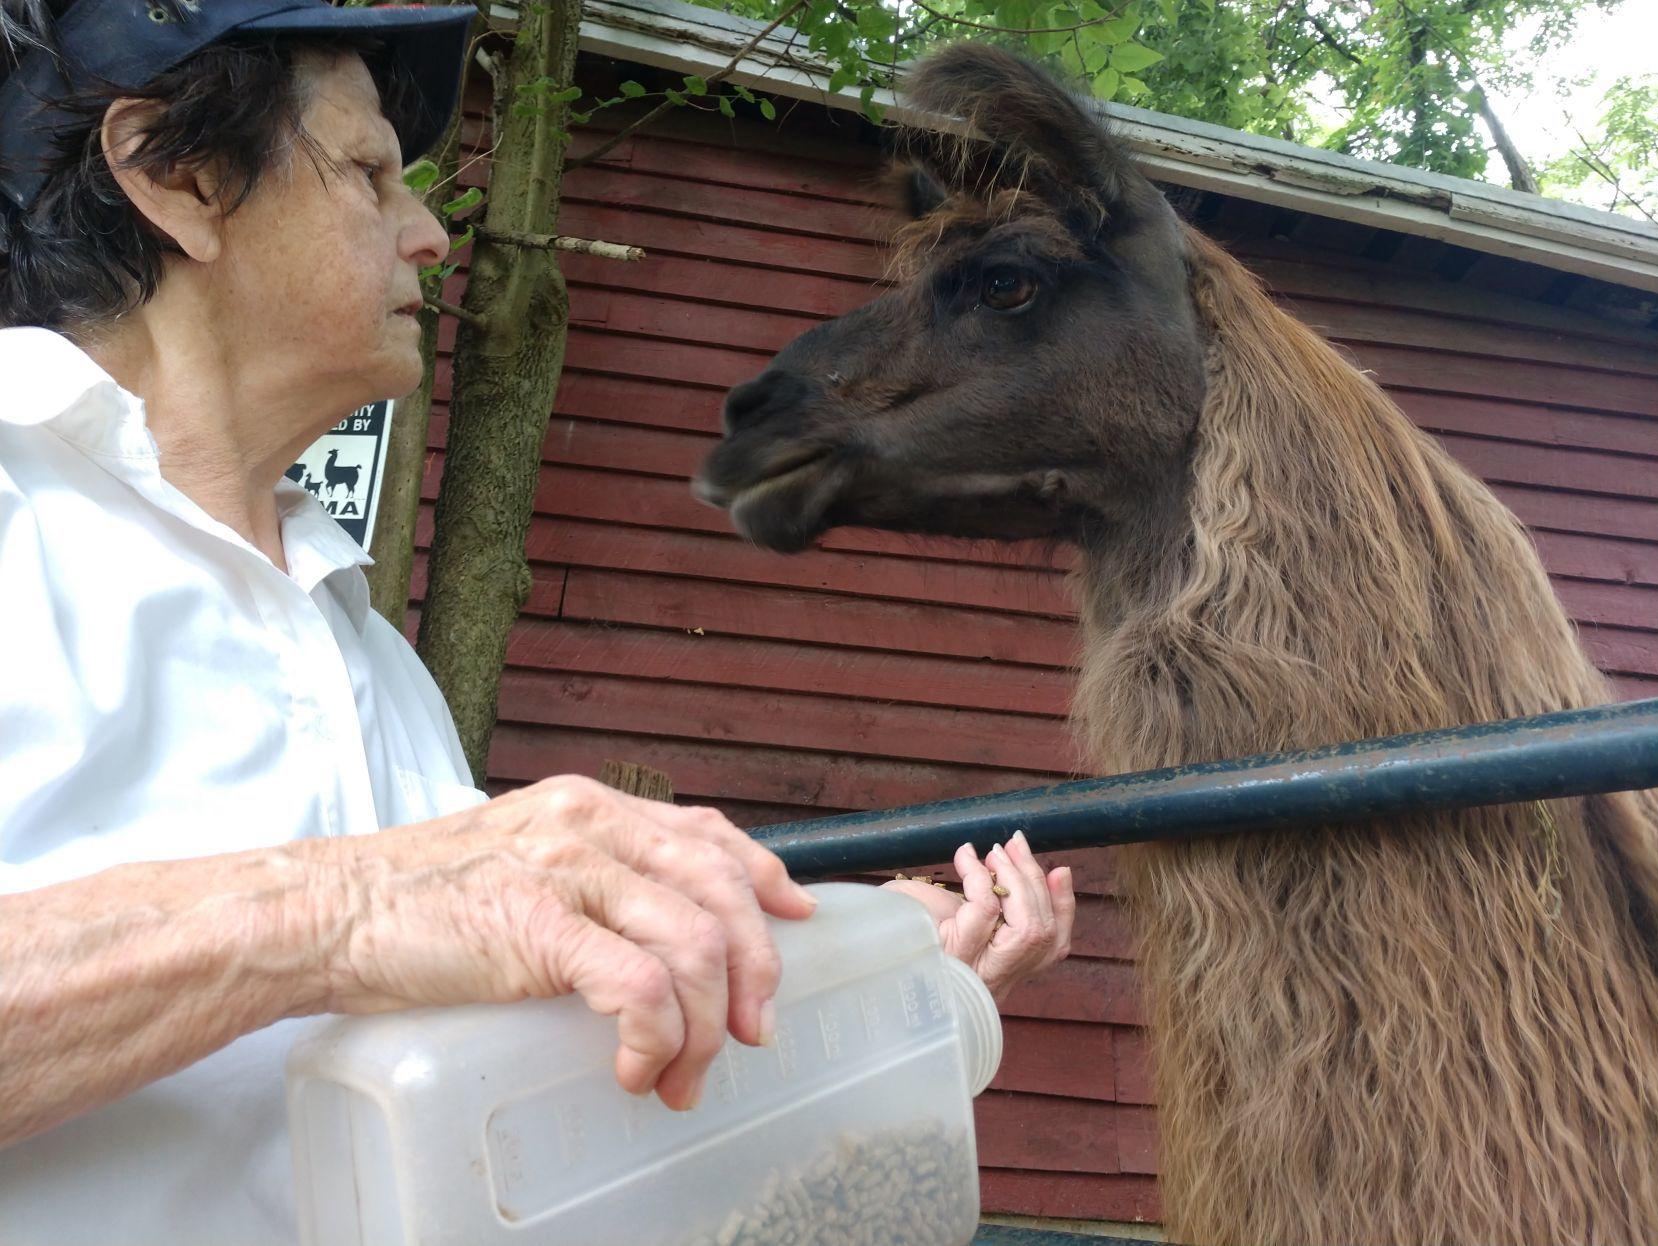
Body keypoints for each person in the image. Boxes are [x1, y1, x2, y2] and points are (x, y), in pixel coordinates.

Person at [0, 1, 1076, 1241]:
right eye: (366, 173)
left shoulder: (363, 649)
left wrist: (879, 957)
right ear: (179, 177)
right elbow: (370, 911)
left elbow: (514, 1074)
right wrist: (336, 912)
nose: (428, 239)